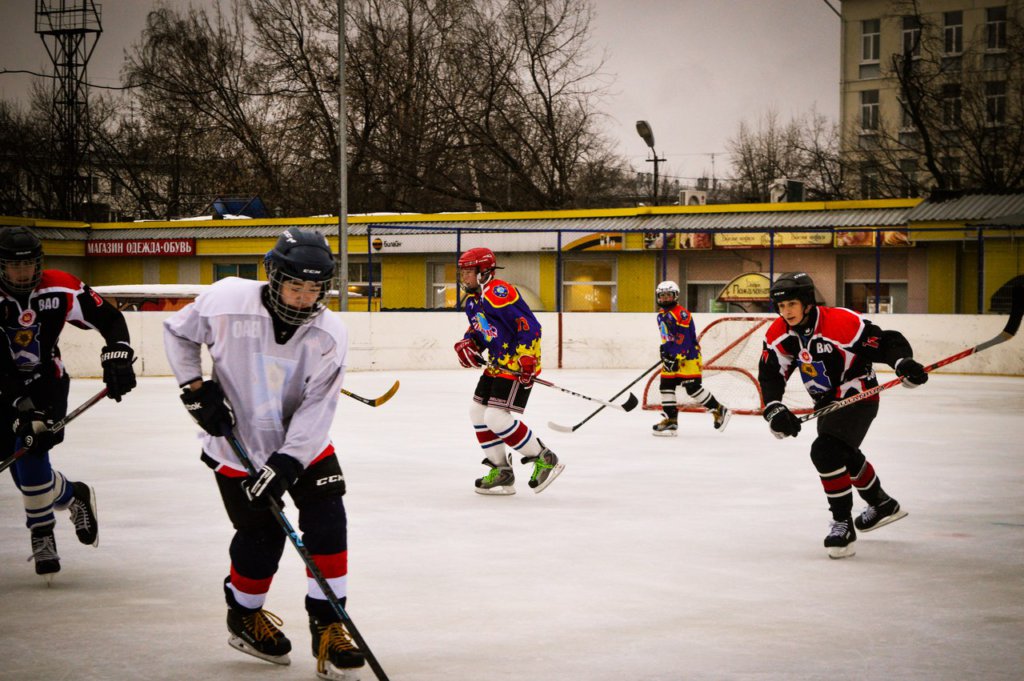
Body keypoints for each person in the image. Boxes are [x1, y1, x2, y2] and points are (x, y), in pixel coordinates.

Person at [163, 228, 364, 679]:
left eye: (315, 289)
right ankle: (244, 614)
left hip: (304, 447)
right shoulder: (226, 300)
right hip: (238, 447)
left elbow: (319, 407)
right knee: (262, 538)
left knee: (329, 523)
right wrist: (194, 389)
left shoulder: (330, 332)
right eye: (295, 286)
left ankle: (329, 624)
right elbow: (178, 333)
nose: (303, 298)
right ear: (272, 276)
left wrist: (290, 461)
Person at [757, 272, 926, 559]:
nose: (786, 312)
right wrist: (774, 408)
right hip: (826, 403)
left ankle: (842, 523)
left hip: (858, 394)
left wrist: (903, 362)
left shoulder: (839, 322)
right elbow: (772, 373)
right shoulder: (779, 334)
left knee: (825, 451)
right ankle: (881, 503)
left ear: (808, 302)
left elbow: (885, 341)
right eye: (781, 307)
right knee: (843, 454)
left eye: (792, 305)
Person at [0, 225, 136, 581]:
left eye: (29, 265)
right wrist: (19, 407)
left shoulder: (61, 286)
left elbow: (109, 317)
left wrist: (118, 353)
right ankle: (73, 494)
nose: (22, 273)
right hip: (2, 386)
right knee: (23, 471)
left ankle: (41, 534)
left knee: (32, 450)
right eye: (14, 267)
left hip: (48, 381)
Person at [454, 247, 563, 495]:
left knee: (496, 418)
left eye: (469, 272)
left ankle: (545, 457)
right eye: (462, 272)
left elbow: (529, 325)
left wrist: (527, 359)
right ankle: (501, 469)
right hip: (497, 363)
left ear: (484, 272)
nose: (464, 277)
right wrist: (469, 343)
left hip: (516, 364)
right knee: (477, 412)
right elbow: (484, 331)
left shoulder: (497, 293)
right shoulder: (473, 300)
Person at [651, 280, 730, 436]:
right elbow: (667, 338)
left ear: (676, 296)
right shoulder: (661, 316)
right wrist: (665, 352)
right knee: (666, 385)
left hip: (688, 356)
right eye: (662, 296)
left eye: (668, 295)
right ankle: (671, 420)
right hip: (673, 356)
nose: (665, 299)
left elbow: (683, 338)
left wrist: (676, 356)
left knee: (692, 388)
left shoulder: (682, 314)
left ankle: (720, 410)